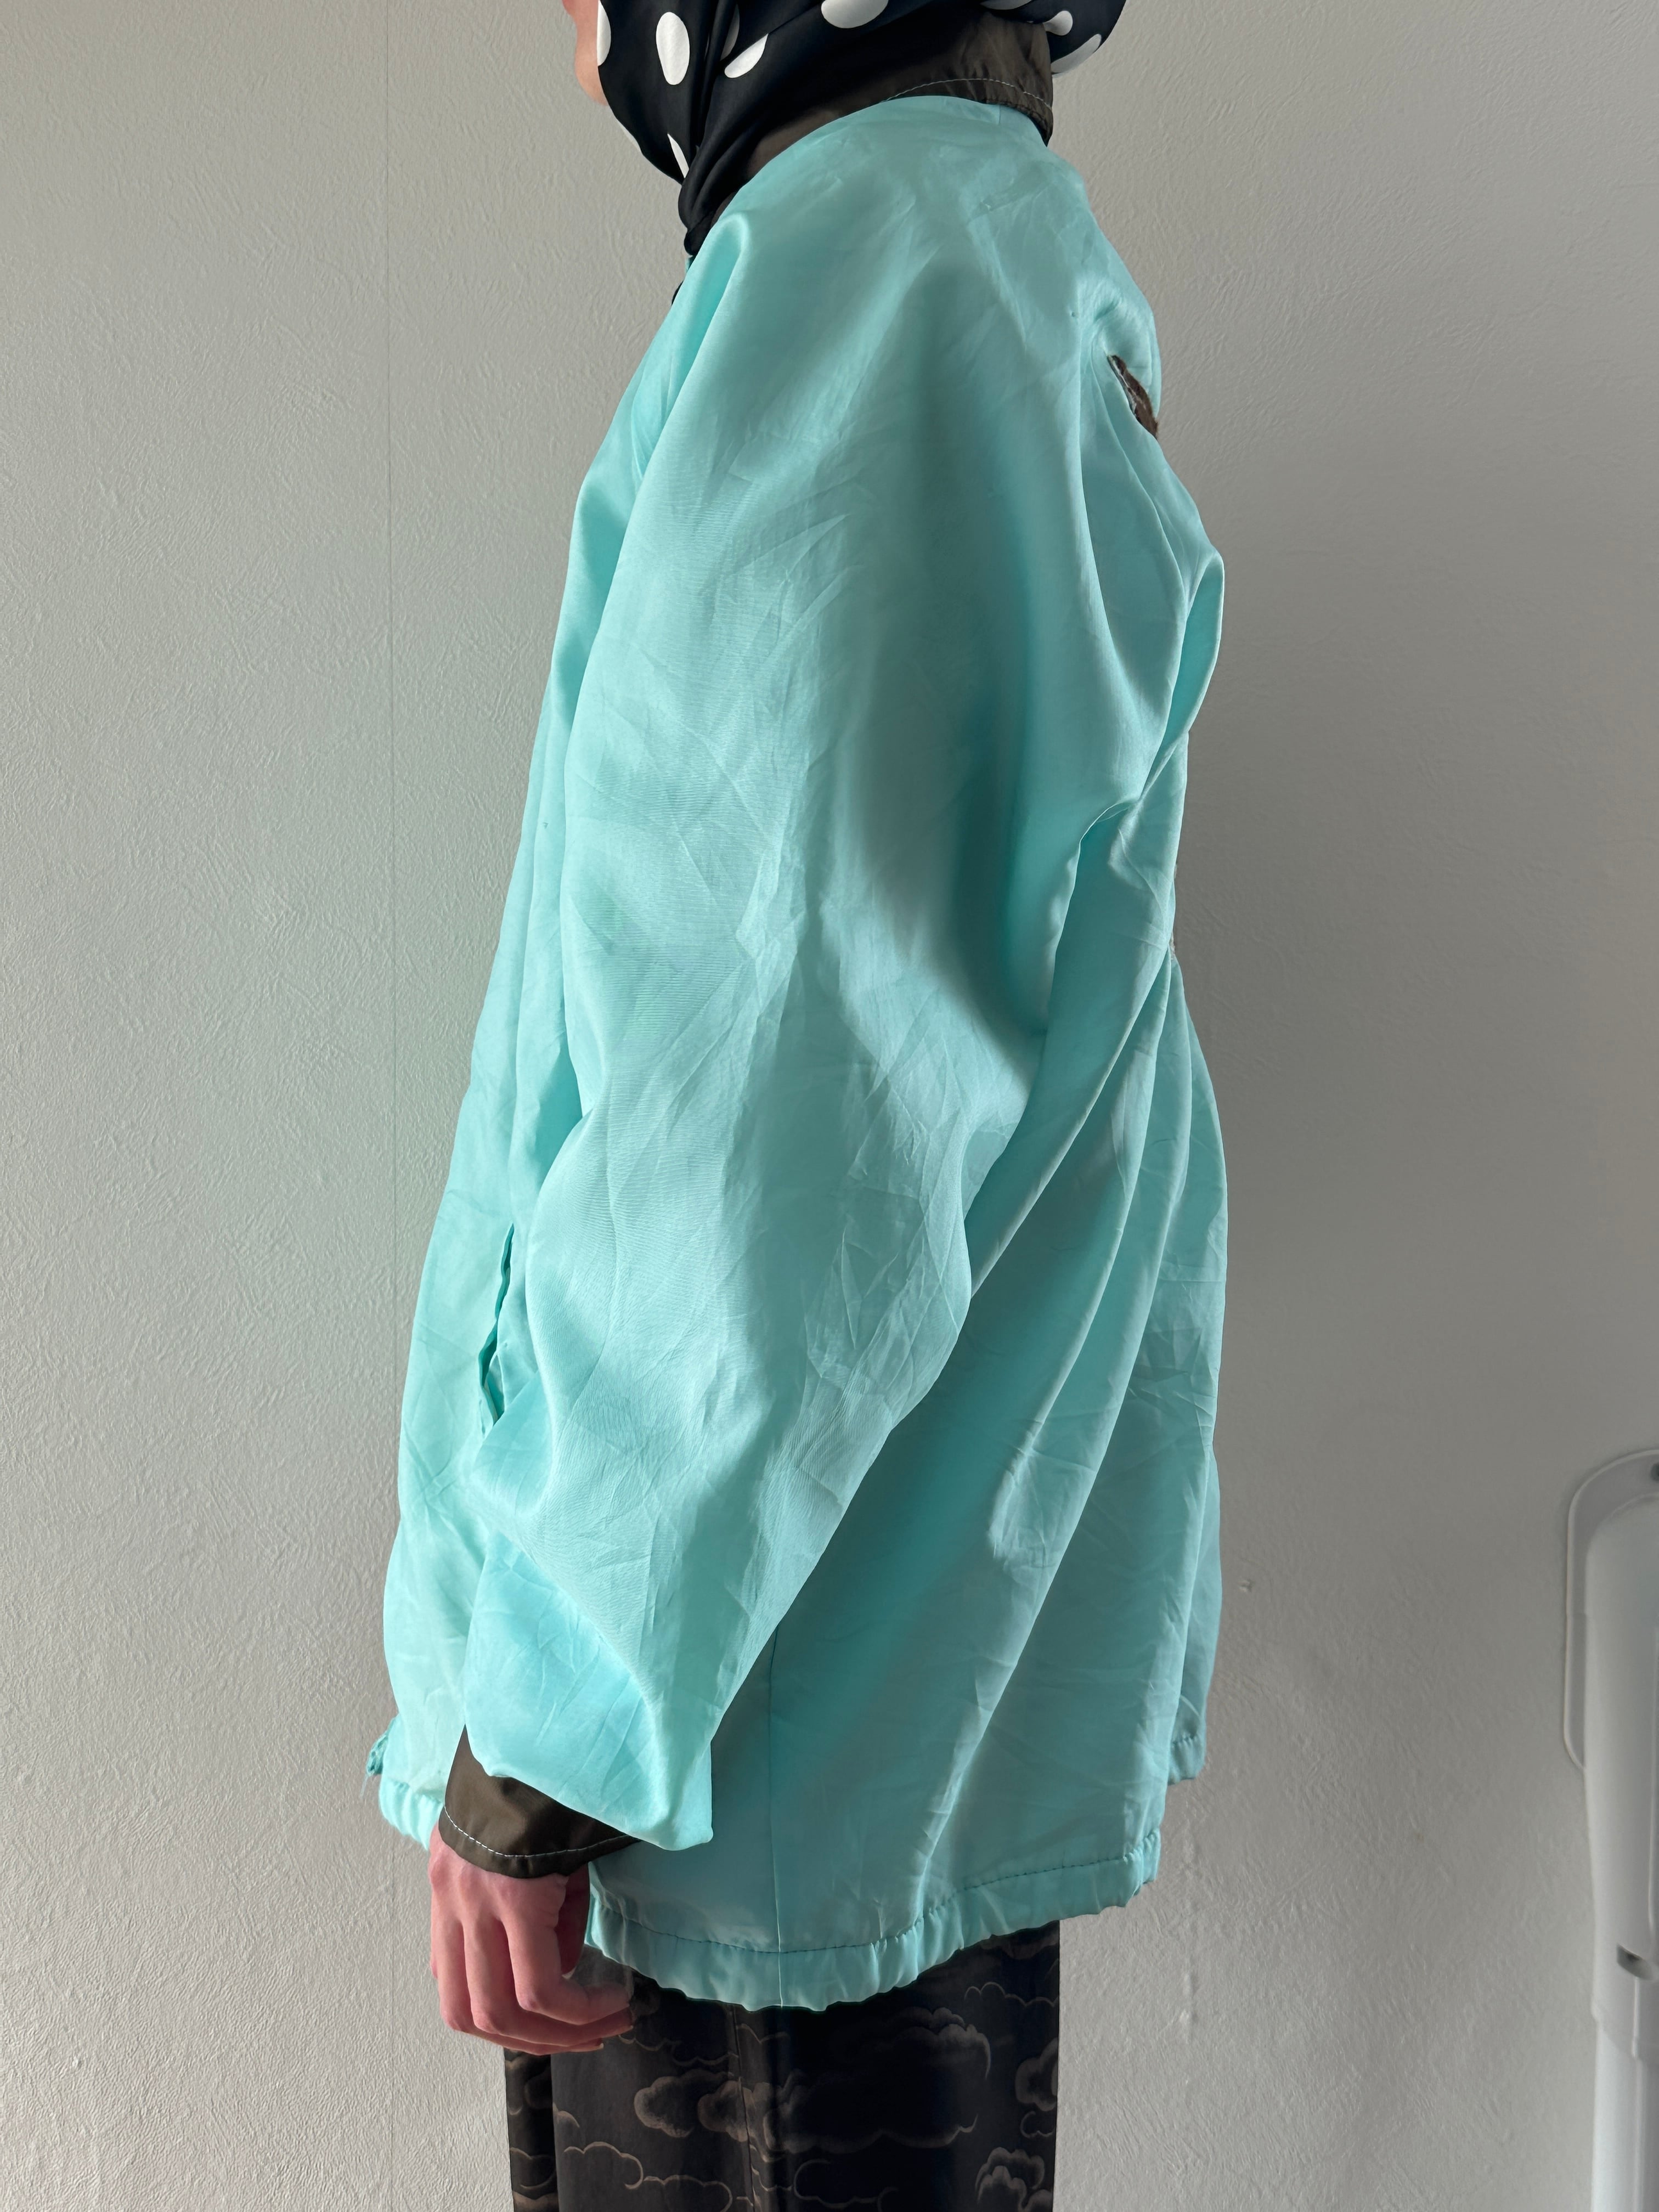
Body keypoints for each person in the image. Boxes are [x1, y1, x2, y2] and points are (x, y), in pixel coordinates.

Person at [367, 0, 1227, 2199]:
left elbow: (777, 1105)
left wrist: (546, 1742)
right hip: (803, 1684)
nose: (578, 27)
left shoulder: (878, 266)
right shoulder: (962, 256)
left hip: (726, 1738)